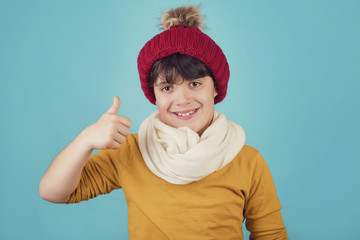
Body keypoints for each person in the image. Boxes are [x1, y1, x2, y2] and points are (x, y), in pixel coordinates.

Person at [39, 5, 288, 239]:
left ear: (216, 88)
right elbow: (53, 192)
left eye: (195, 83)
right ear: (154, 96)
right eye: (167, 87)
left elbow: (271, 235)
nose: (182, 99)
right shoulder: (132, 151)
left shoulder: (248, 162)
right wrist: (85, 140)